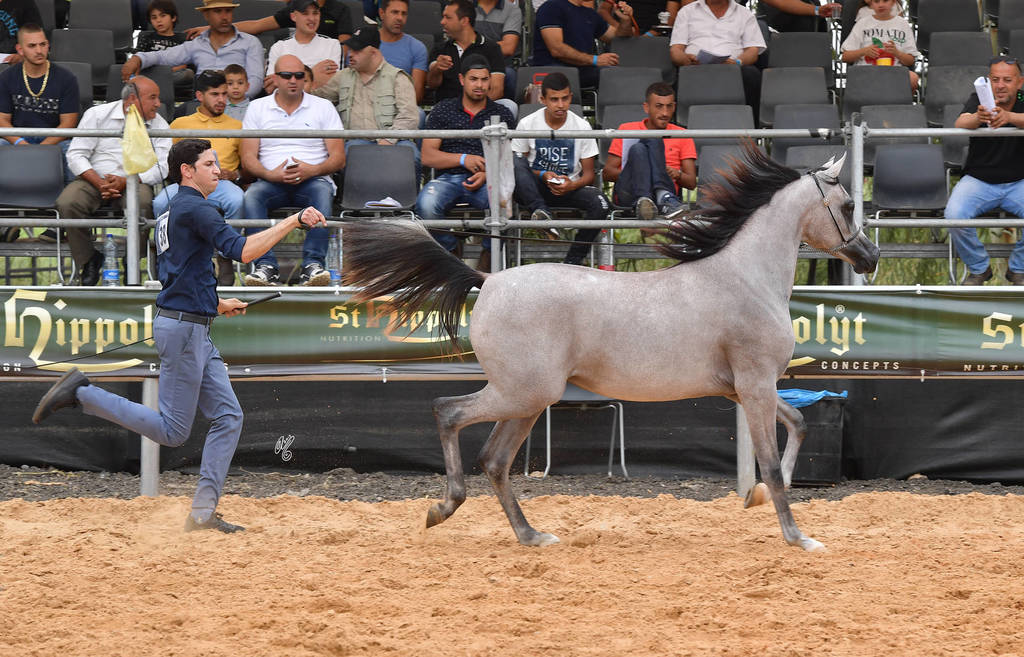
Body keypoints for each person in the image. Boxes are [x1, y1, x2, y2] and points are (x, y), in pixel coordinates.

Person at [33, 138, 329, 533]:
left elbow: (181, 271)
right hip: (187, 329)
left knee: (228, 416)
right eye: (209, 164)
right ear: (187, 170)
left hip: (191, 324)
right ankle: (82, 393)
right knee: (173, 432)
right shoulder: (198, 208)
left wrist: (217, 302)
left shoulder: (174, 212)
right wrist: (293, 221)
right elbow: (242, 252)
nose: (218, 170)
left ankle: (203, 513)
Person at [240, 54, 345, 286]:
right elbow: (247, 157)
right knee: (252, 195)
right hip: (270, 182)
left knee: (322, 191)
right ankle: (265, 266)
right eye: (287, 75)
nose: (293, 80)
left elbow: (338, 158)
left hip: (313, 180)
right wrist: (270, 174)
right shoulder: (257, 108)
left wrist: (313, 170)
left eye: (299, 75)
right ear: (275, 78)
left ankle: (313, 266)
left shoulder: (323, 107)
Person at [57, 76, 170, 286]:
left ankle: (132, 261)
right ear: (133, 100)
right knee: (68, 202)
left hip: (136, 180)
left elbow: (162, 167)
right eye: (152, 98)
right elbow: (76, 155)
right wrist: (100, 182)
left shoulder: (159, 124)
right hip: (94, 179)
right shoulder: (98, 115)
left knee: (144, 203)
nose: (158, 104)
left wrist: (127, 181)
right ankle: (89, 260)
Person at [416, 55, 515, 257]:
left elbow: (509, 160)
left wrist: (488, 174)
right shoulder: (443, 110)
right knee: (425, 205)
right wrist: (463, 159)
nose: (479, 85)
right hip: (448, 179)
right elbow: (427, 156)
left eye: (484, 79)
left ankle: (488, 260)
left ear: (490, 81)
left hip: (489, 180)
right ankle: (452, 251)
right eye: (473, 79)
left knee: (506, 206)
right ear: (462, 80)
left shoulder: (502, 113)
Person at [156, 69, 243, 286]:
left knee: (238, 200)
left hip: (222, 183)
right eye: (215, 94)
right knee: (159, 203)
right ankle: (171, 255)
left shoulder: (237, 126)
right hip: (187, 183)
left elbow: (246, 166)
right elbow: (168, 161)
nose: (222, 99)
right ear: (200, 96)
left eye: (224, 94)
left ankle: (225, 258)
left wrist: (235, 174)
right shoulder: (179, 125)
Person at [511, 72, 608, 265]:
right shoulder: (527, 123)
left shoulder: (581, 126)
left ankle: (572, 262)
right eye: (554, 100)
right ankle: (542, 215)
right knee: (514, 161)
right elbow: (517, 167)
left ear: (571, 97)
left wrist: (572, 185)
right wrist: (542, 175)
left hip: (569, 187)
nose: (561, 105)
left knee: (601, 204)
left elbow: (589, 174)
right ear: (542, 99)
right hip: (534, 189)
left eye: (565, 99)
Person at [946, 57, 1024, 286]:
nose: (1000, 85)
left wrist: (1010, 117)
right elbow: (960, 123)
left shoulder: (1023, 98)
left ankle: (1018, 269)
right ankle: (980, 269)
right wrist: (978, 118)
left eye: (1007, 80)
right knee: (953, 216)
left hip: (1019, 182)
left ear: (1019, 83)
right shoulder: (979, 99)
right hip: (979, 181)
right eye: (995, 79)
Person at [310, 25, 419, 166]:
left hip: (395, 141)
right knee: (348, 151)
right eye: (350, 49)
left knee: (411, 155)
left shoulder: (398, 77)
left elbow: (409, 117)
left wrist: (387, 140)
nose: (350, 54)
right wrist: (309, 78)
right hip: (355, 141)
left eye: (357, 50)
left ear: (373, 53)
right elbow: (316, 99)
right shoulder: (343, 76)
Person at [121, 0, 264, 100]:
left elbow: (255, 80)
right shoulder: (197, 44)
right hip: (202, 105)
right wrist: (138, 58)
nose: (224, 16)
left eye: (228, 11)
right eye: (218, 11)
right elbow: (163, 56)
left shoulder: (250, 42)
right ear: (206, 15)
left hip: (238, 104)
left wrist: (233, 98)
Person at [0, 23, 79, 198]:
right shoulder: (7, 77)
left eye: (43, 44)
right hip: (18, 138)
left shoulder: (66, 78)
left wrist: (41, 149)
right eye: (32, 46)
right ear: (20, 49)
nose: (39, 50)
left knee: (72, 151)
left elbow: (68, 124)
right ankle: (6, 218)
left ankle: (67, 214)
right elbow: (2, 121)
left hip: (54, 139)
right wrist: (21, 143)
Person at [602, 81, 695, 219]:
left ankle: (652, 198)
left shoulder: (682, 135)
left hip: (669, 196)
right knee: (647, 141)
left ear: (674, 107)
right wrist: (642, 171)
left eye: (669, 106)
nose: (664, 113)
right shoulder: (626, 129)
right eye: (659, 106)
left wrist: (677, 175)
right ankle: (660, 195)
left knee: (641, 146)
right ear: (646, 107)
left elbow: (691, 182)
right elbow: (607, 174)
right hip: (630, 193)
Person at [669, 0, 766, 124]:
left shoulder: (744, 14)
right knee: (678, 76)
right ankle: (683, 133)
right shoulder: (687, 11)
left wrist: (737, 62)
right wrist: (686, 59)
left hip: (733, 69)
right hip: (695, 67)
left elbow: (752, 51)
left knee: (752, 75)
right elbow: (675, 50)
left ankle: (750, 131)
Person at [531, 0, 634, 89]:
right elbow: (557, 49)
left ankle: (614, 111)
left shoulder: (590, 14)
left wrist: (625, 20)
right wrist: (595, 60)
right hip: (551, 70)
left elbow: (617, 37)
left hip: (583, 71)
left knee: (619, 75)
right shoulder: (551, 7)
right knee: (610, 74)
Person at [428, 0, 506, 104]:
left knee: (509, 105)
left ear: (464, 21)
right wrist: (437, 68)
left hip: (483, 109)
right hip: (447, 111)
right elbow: (432, 85)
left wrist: (474, 109)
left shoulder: (491, 48)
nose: (442, 22)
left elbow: (496, 90)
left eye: (448, 17)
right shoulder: (440, 49)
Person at [185, 0, 354, 48]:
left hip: (327, 60)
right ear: (295, 16)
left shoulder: (340, 9)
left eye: (315, 14)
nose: (310, 18)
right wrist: (211, 27)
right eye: (305, 14)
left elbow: (343, 48)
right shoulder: (295, 7)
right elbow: (256, 26)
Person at [264, 0, 342, 93]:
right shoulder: (279, 47)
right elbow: (271, 88)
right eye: (305, 13)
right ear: (293, 16)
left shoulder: (332, 44)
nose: (312, 19)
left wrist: (287, 79)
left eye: (315, 13)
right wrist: (313, 73)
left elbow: (333, 87)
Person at [841, 0, 918, 93]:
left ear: (893, 2)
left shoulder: (903, 25)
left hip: (894, 73)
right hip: (866, 72)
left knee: (913, 78)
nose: (881, 5)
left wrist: (897, 53)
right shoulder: (862, 23)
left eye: (885, 0)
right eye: (876, 1)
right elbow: (845, 57)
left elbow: (910, 60)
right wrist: (864, 51)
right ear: (871, 4)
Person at [134, 0, 194, 95]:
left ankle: (153, 84)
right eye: (154, 17)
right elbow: (138, 60)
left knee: (188, 74)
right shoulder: (146, 37)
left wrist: (163, 71)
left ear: (173, 17)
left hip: (171, 74)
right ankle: (153, 83)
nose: (158, 20)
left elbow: (183, 65)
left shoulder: (182, 39)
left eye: (163, 16)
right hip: (150, 74)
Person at [378, 0, 428, 103]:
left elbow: (416, 95)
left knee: (419, 114)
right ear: (382, 13)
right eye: (395, 12)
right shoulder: (364, 43)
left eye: (404, 14)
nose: (400, 18)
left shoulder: (417, 48)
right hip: (367, 104)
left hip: (402, 105)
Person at [473, 0, 522, 98]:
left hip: (500, 65)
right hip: (467, 62)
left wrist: (473, 46)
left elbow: (508, 47)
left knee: (510, 75)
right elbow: (460, 43)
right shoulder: (464, 6)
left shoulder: (512, 10)